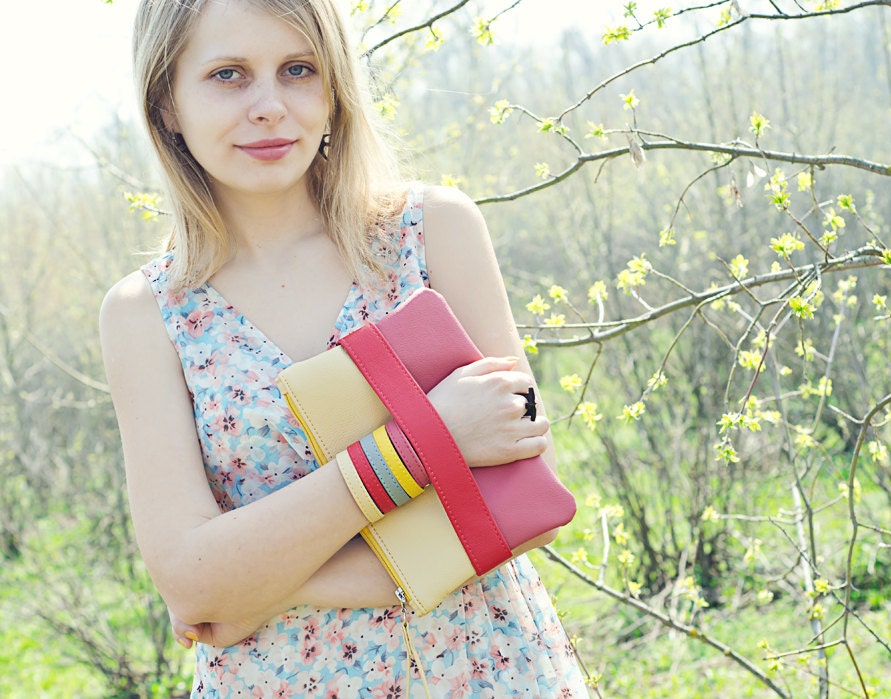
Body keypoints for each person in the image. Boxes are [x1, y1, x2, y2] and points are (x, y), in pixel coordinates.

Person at [100, 0, 588, 696]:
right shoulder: (146, 314)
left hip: (488, 671)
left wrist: (257, 592)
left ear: (335, 89)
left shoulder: (434, 234)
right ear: (168, 103)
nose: (269, 105)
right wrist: (431, 440)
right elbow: (189, 576)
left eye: (298, 69)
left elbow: (525, 507)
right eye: (229, 74)